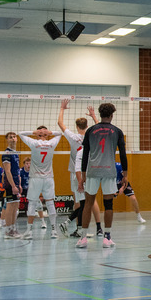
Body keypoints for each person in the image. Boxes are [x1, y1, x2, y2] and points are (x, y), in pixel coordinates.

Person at [77, 102, 128, 248]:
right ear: (111, 115)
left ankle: (83, 238)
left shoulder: (90, 130)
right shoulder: (117, 131)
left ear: (100, 114)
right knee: (108, 204)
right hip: (109, 171)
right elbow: (123, 155)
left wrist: (83, 174)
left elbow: (85, 154)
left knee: (88, 203)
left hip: (93, 171)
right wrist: (125, 174)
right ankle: (107, 238)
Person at [58, 99, 102, 238]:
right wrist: (93, 115)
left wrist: (62, 108)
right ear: (87, 126)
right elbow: (100, 127)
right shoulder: (92, 137)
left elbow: (60, 123)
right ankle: (87, 228)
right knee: (89, 201)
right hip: (89, 172)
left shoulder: (73, 137)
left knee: (81, 202)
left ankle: (76, 226)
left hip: (75, 174)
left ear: (77, 126)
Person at [17, 126, 63, 239]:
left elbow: (21, 133)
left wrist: (34, 132)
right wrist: (49, 133)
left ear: (37, 134)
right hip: (48, 178)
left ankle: (29, 231)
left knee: (32, 204)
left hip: (35, 178)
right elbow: (60, 133)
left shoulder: (34, 143)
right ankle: (54, 231)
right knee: (50, 203)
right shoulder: (51, 143)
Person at [0, 132, 23, 239]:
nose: (13, 139)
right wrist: (13, 186)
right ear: (7, 140)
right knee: (10, 205)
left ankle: (13, 228)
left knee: (15, 206)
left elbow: (17, 171)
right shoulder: (7, 153)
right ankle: (8, 231)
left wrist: (19, 184)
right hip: (10, 183)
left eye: (14, 137)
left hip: (16, 183)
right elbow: (7, 171)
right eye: (10, 137)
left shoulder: (15, 153)